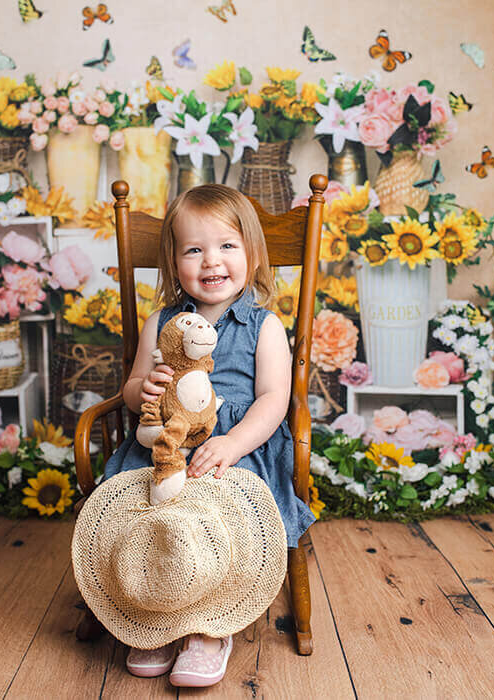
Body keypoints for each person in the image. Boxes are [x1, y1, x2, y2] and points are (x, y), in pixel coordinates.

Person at [102, 183, 315, 687]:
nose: (211, 261)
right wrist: (143, 389)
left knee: (219, 517)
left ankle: (208, 628)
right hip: (165, 447)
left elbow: (273, 400)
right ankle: (155, 613)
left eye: (226, 246)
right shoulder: (161, 321)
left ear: (252, 253)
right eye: (194, 249)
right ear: (174, 262)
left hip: (233, 448)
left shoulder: (264, 327)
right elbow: (132, 390)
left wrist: (234, 443)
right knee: (144, 511)